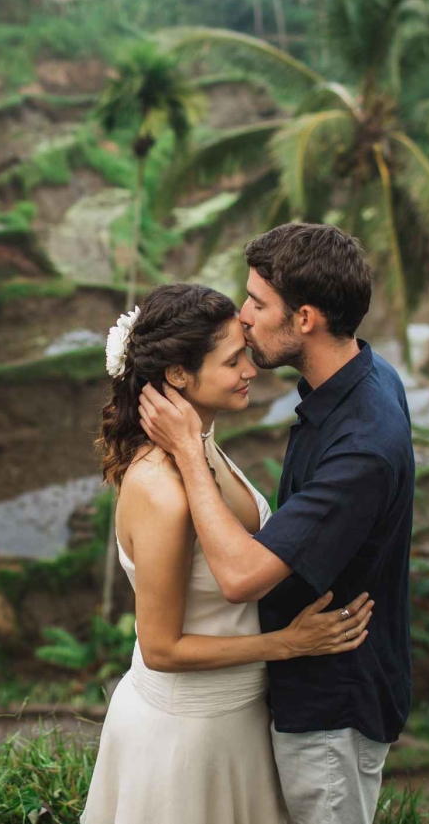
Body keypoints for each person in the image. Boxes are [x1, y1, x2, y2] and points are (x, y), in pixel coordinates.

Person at [138, 223, 415, 824]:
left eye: (258, 303)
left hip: (331, 706)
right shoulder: (361, 378)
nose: (243, 318)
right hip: (294, 691)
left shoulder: (361, 445)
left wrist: (189, 450)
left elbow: (240, 577)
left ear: (306, 318)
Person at [82, 282, 374, 824]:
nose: (250, 370)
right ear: (177, 375)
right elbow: (161, 648)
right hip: (186, 737)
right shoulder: (163, 492)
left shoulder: (198, 445)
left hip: (236, 719)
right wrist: (287, 644)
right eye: (232, 361)